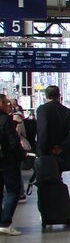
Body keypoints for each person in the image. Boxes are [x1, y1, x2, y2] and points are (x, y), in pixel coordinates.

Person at [36, 85, 70, 173]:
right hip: (62, 153)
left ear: (46, 96)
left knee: (47, 178)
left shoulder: (42, 110)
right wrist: (61, 146)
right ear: (59, 96)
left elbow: (42, 131)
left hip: (47, 151)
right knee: (58, 176)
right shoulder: (67, 111)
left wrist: (41, 151)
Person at [0, 96, 25, 235]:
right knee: (13, 192)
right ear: (1, 104)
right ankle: (4, 223)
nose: (9, 106)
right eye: (7, 103)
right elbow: (13, 142)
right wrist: (21, 157)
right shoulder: (6, 120)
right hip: (8, 162)